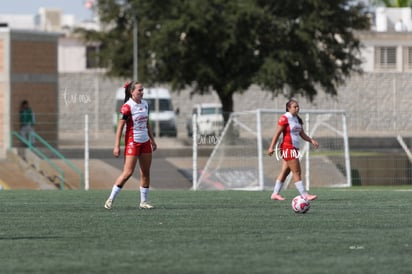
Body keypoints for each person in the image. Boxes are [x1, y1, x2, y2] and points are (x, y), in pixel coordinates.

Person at [104, 81, 157, 209]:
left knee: (145, 173)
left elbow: (147, 123)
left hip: (145, 142)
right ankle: (110, 199)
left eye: (142, 90)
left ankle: (143, 202)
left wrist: (152, 140)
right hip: (133, 142)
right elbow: (120, 127)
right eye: (139, 90)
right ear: (132, 92)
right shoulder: (127, 107)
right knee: (127, 173)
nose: (142, 92)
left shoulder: (145, 104)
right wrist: (117, 146)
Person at [267, 99, 319, 201]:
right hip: (287, 147)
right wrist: (271, 147)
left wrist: (311, 140)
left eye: (298, 106)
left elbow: (302, 134)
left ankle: (275, 194)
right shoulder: (284, 118)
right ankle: (305, 195)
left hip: (294, 148)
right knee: (297, 171)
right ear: (288, 108)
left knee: (285, 172)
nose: (297, 108)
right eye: (295, 107)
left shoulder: (297, 119)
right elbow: (277, 133)